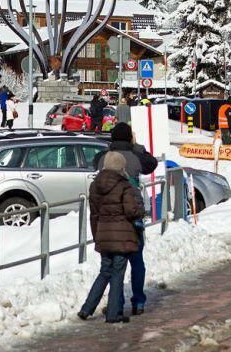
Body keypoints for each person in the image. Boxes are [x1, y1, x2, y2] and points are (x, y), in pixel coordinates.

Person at [93, 122, 158, 316]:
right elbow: (151, 164)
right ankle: (138, 301)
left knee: (115, 265)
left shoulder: (104, 157)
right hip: (132, 216)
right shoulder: (136, 155)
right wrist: (136, 145)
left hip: (109, 219)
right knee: (137, 261)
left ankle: (116, 303)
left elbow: (94, 162)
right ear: (130, 137)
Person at [78, 151, 144, 324]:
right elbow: (131, 211)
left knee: (104, 272)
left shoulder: (94, 185)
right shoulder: (124, 185)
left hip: (103, 234)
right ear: (121, 167)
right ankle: (113, 314)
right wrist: (140, 211)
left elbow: (94, 214)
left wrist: (97, 235)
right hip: (122, 237)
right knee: (117, 274)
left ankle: (86, 309)